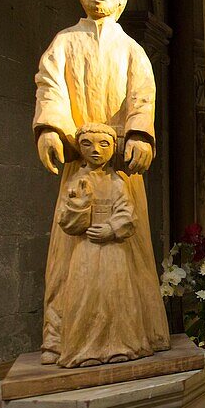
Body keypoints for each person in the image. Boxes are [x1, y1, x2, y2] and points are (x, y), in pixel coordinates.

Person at [33, 0, 169, 366]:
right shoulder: (64, 43)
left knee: (132, 253)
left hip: (123, 171)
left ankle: (142, 328)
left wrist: (140, 135)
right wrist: (51, 129)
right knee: (67, 258)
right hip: (79, 168)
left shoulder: (130, 49)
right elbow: (49, 85)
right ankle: (60, 336)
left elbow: (142, 96)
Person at [55, 124, 153, 367]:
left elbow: (127, 214)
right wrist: (80, 206)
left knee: (117, 297)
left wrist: (111, 228)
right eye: (87, 144)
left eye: (104, 144)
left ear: (113, 148)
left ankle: (123, 345)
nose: (96, 150)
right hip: (86, 250)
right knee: (85, 298)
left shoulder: (117, 182)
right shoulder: (76, 182)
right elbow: (66, 221)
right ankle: (83, 350)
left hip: (114, 250)